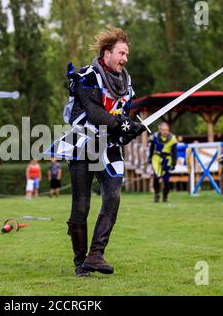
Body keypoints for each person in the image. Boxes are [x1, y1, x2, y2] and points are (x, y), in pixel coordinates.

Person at [50, 27, 146, 276]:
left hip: (110, 146)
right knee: (81, 205)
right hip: (83, 143)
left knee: (113, 197)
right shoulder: (88, 76)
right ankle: (80, 262)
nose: (125, 58)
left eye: (126, 54)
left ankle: (96, 255)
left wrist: (129, 128)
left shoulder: (126, 81)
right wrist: (121, 125)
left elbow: (121, 114)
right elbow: (94, 112)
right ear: (107, 53)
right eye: (121, 53)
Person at [148, 122, 178, 203]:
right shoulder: (154, 137)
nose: (165, 131)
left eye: (166, 130)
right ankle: (157, 194)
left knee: (166, 180)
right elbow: (151, 148)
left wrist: (174, 163)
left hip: (167, 159)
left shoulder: (173, 138)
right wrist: (150, 158)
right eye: (163, 130)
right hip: (156, 158)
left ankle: (165, 197)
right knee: (156, 177)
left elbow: (174, 152)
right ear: (160, 130)